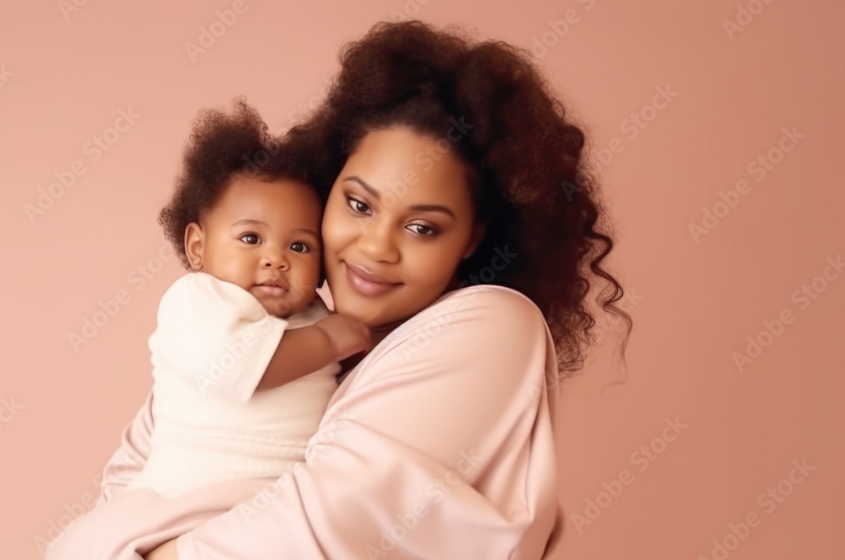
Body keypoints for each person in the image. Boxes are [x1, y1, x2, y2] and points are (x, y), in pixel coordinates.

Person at [74, 19, 631, 559]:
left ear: (471, 240)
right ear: (327, 188)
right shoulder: (267, 329)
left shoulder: (494, 326)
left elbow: (324, 525)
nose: (376, 247)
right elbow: (121, 489)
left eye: (422, 228)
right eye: (359, 205)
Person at [44, 100, 371, 559]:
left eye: (299, 246)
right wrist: (332, 340)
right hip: (188, 491)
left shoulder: (314, 313)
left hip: (275, 497)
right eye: (251, 238)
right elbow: (241, 367)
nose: (276, 259)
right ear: (198, 247)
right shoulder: (198, 300)